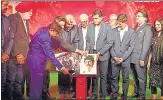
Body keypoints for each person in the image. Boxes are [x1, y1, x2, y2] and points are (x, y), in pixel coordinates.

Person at [27, 21, 69, 100]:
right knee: (37, 86)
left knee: (35, 85)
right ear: (52, 30)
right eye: (57, 33)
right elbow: (50, 55)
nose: (56, 36)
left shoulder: (43, 29)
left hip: (33, 60)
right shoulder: (46, 38)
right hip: (37, 63)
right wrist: (62, 68)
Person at [5, 2, 33, 100]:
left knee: (18, 80)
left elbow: (23, 38)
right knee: (10, 80)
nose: (31, 13)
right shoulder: (14, 19)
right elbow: (10, 38)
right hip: (14, 57)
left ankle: (18, 98)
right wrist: (17, 53)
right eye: (29, 11)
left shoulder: (26, 22)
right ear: (23, 10)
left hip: (22, 57)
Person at [85, 9, 113, 99]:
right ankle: (94, 94)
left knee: (104, 76)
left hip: (103, 55)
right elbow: (88, 40)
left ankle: (103, 95)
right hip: (92, 54)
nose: (95, 20)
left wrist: (100, 53)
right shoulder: (90, 26)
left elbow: (109, 43)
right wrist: (87, 51)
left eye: (96, 18)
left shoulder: (107, 27)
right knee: (94, 75)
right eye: (93, 18)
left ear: (101, 18)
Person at [110, 14, 136, 100]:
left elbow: (131, 47)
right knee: (114, 77)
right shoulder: (113, 31)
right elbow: (111, 45)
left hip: (125, 60)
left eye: (120, 23)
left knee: (126, 78)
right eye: (117, 23)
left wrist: (123, 58)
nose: (118, 25)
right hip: (114, 59)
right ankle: (114, 94)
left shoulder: (131, 32)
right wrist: (114, 56)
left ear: (125, 22)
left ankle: (124, 96)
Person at [130, 10, 153, 100]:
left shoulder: (148, 28)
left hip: (140, 58)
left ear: (145, 18)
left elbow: (146, 45)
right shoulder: (137, 27)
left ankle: (142, 96)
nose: (137, 17)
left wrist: (142, 58)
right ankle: (136, 93)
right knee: (135, 77)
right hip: (133, 58)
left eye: (139, 16)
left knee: (141, 78)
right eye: (136, 16)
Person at [148, 18, 163, 100]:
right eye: (155, 24)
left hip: (161, 64)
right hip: (153, 64)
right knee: (153, 81)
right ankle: (154, 97)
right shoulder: (153, 37)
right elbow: (151, 51)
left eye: (158, 24)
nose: (156, 26)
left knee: (162, 82)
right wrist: (149, 62)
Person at [1, 1, 14, 99]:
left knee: (3, 82)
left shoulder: (6, 19)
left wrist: (6, 53)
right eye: (5, 4)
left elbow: (10, 38)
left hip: (3, 57)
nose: (7, 7)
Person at [78, 13, 91, 98]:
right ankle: (77, 91)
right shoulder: (77, 29)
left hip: (89, 53)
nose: (83, 23)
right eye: (82, 22)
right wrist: (79, 51)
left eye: (85, 21)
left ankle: (86, 91)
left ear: (88, 21)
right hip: (79, 54)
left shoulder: (91, 29)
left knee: (88, 73)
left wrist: (87, 50)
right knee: (78, 73)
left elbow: (92, 41)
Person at [107, 13, 118, 95]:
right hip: (106, 54)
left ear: (116, 21)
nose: (111, 21)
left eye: (113, 20)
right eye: (110, 19)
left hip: (115, 55)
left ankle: (115, 91)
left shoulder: (119, 30)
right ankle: (107, 90)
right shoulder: (106, 28)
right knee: (107, 72)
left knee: (114, 74)